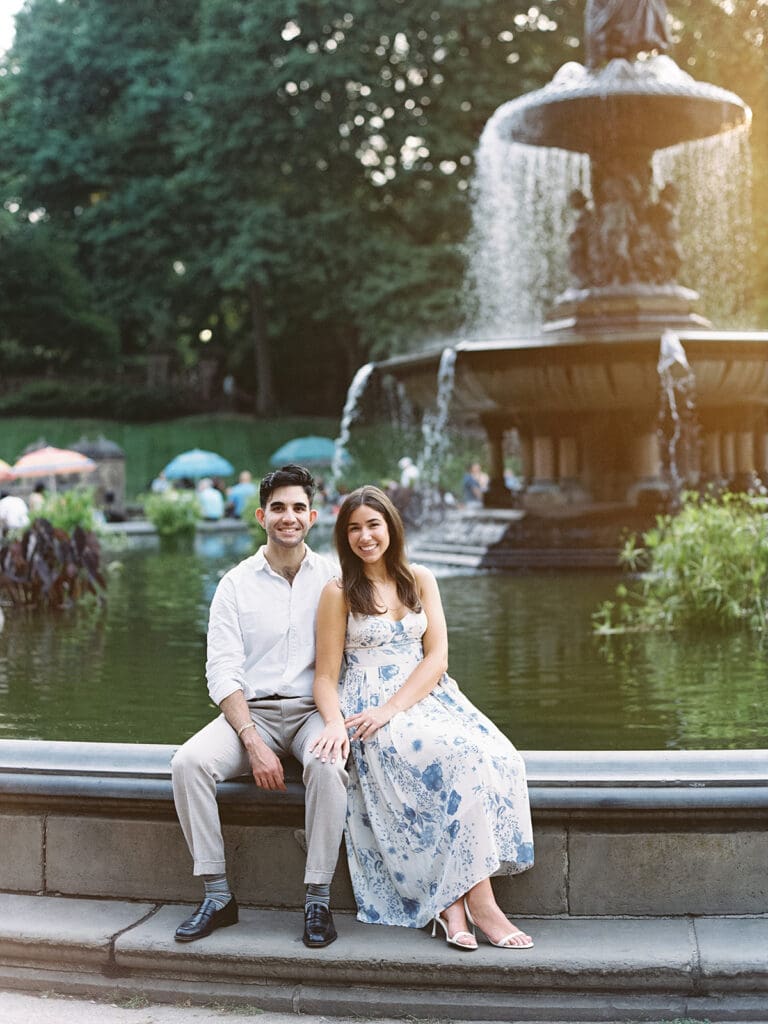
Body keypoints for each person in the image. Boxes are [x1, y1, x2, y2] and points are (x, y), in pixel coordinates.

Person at [310, 485, 534, 950]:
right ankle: (477, 907)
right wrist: (335, 723)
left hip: (424, 697)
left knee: (497, 756)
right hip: (367, 706)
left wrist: (397, 707)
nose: (364, 536)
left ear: (391, 526)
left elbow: (437, 657)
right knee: (456, 759)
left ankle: (457, 905)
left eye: (373, 524)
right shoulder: (338, 593)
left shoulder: (420, 578)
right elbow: (326, 678)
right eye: (353, 528)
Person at [171, 464, 348, 948]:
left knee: (330, 769)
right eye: (277, 508)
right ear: (260, 515)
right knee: (188, 763)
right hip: (254, 716)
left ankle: (317, 900)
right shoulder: (234, 584)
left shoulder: (334, 577)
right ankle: (217, 895)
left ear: (312, 516)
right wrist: (250, 739)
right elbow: (221, 670)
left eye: (297, 508)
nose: (287, 517)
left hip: (315, 712)